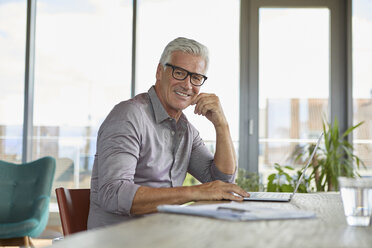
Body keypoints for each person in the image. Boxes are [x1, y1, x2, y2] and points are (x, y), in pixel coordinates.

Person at [87, 37, 249, 229]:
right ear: (159, 72)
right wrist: (195, 192)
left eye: (196, 77)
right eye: (179, 73)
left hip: (163, 235)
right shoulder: (128, 116)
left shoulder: (185, 129)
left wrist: (222, 125)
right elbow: (113, 194)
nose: (188, 85)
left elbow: (221, 183)